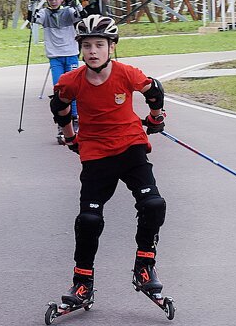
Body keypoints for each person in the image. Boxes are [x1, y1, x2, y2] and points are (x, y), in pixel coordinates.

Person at [48, 16, 168, 308]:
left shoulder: (126, 73)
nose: (92, 51)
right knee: (89, 220)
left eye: (99, 45)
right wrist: (71, 137)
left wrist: (156, 118)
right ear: (80, 49)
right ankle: (82, 283)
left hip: (131, 148)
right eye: (87, 45)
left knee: (153, 205)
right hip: (96, 154)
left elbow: (154, 90)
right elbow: (59, 106)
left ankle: (144, 265)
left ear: (111, 47)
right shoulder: (72, 81)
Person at [28, 0, 84, 142]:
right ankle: (62, 123)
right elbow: (32, 18)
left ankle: (75, 119)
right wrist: (32, 3)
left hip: (71, 54)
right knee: (60, 91)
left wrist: (76, 2)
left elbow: (82, 16)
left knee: (73, 89)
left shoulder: (68, 12)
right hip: (55, 57)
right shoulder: (45, 14)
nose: (53, 1)